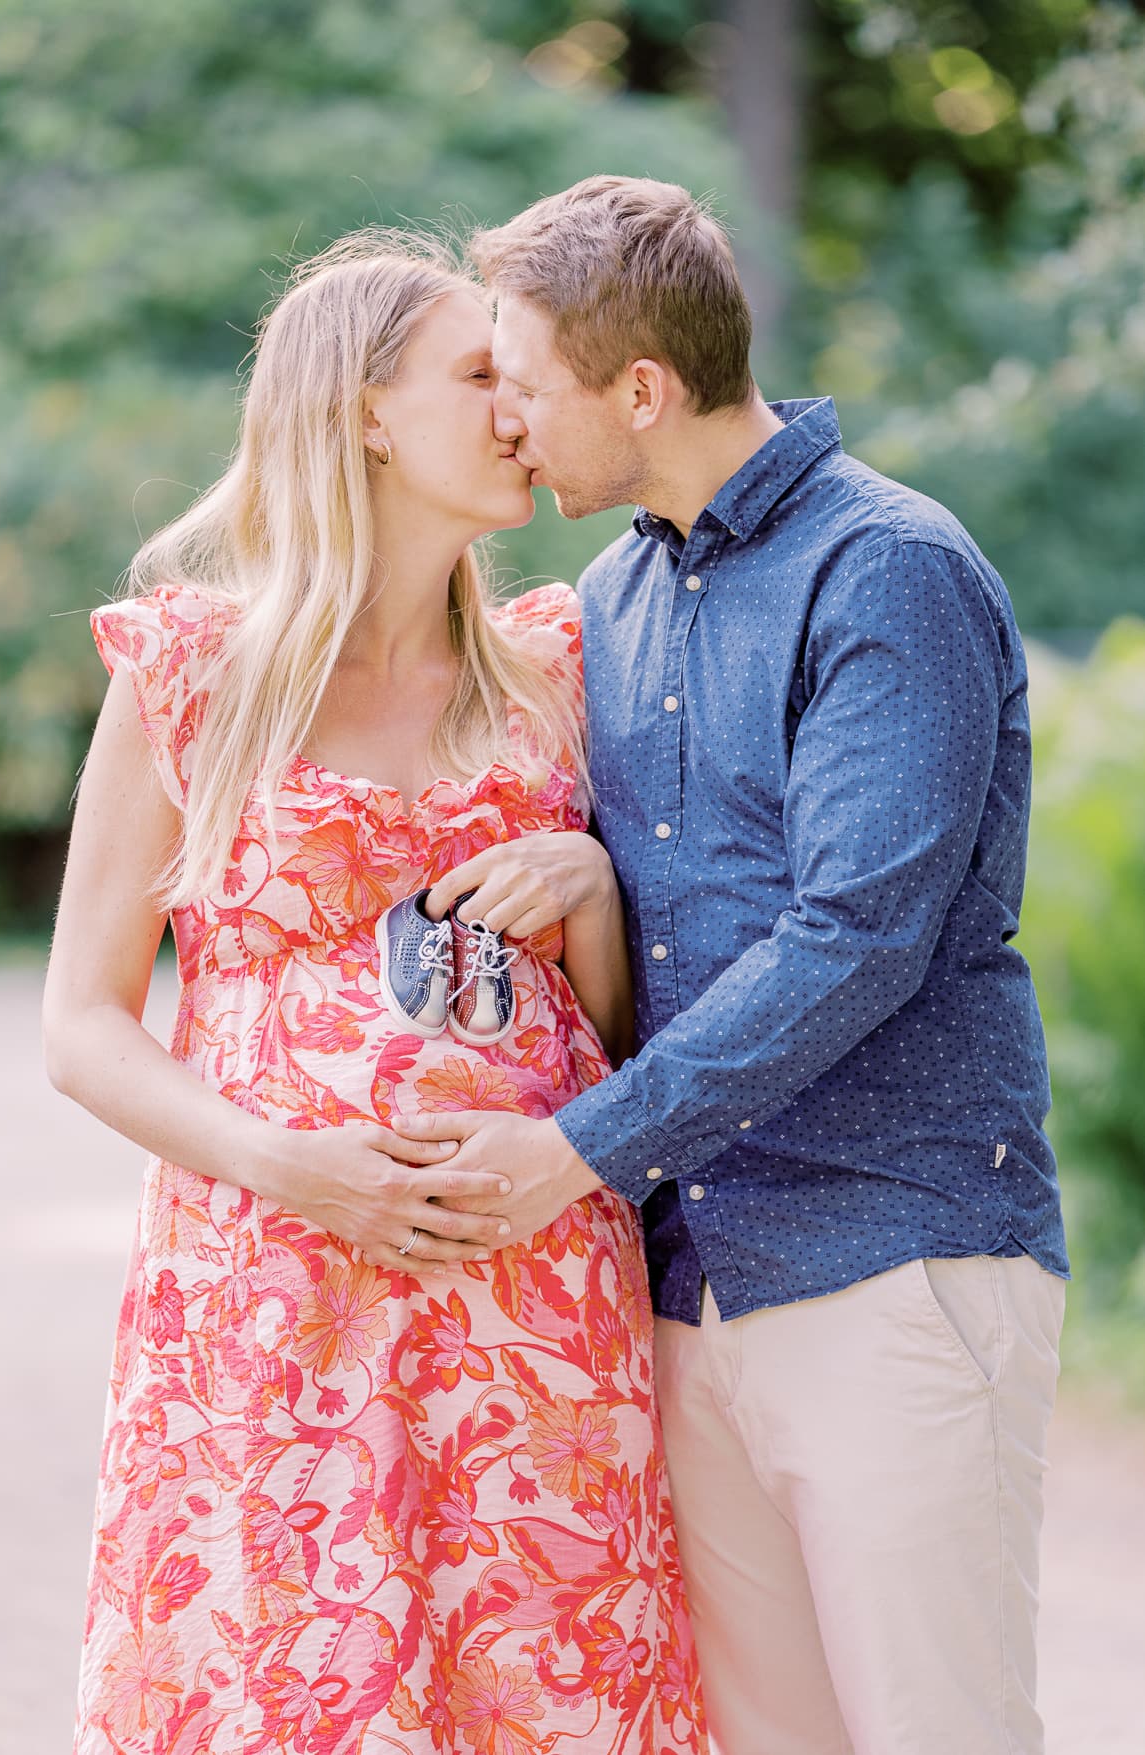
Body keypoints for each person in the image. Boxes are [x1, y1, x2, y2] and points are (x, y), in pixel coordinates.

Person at [396, 177, 1071, 1755]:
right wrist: (588, 878)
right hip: (694, 1288)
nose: (507, 422)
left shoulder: (886, 569)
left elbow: (853, 938)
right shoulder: (620, 598)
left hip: (893, 1262)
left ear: (640, 389)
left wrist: (571, 1151)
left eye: (525, 382)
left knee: (939, 1732)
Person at [43, 232, 706, 1755]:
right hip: (272, 1288)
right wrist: (288, 1167)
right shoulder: (194, 674)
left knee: (545, 1692)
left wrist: (592, 892)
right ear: (359, 410)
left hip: (531, 1294)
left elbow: (615, 1037)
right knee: (284, 1694)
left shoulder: (557, 669)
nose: (520, 411)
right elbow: (81, 1023)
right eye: (481, 375)